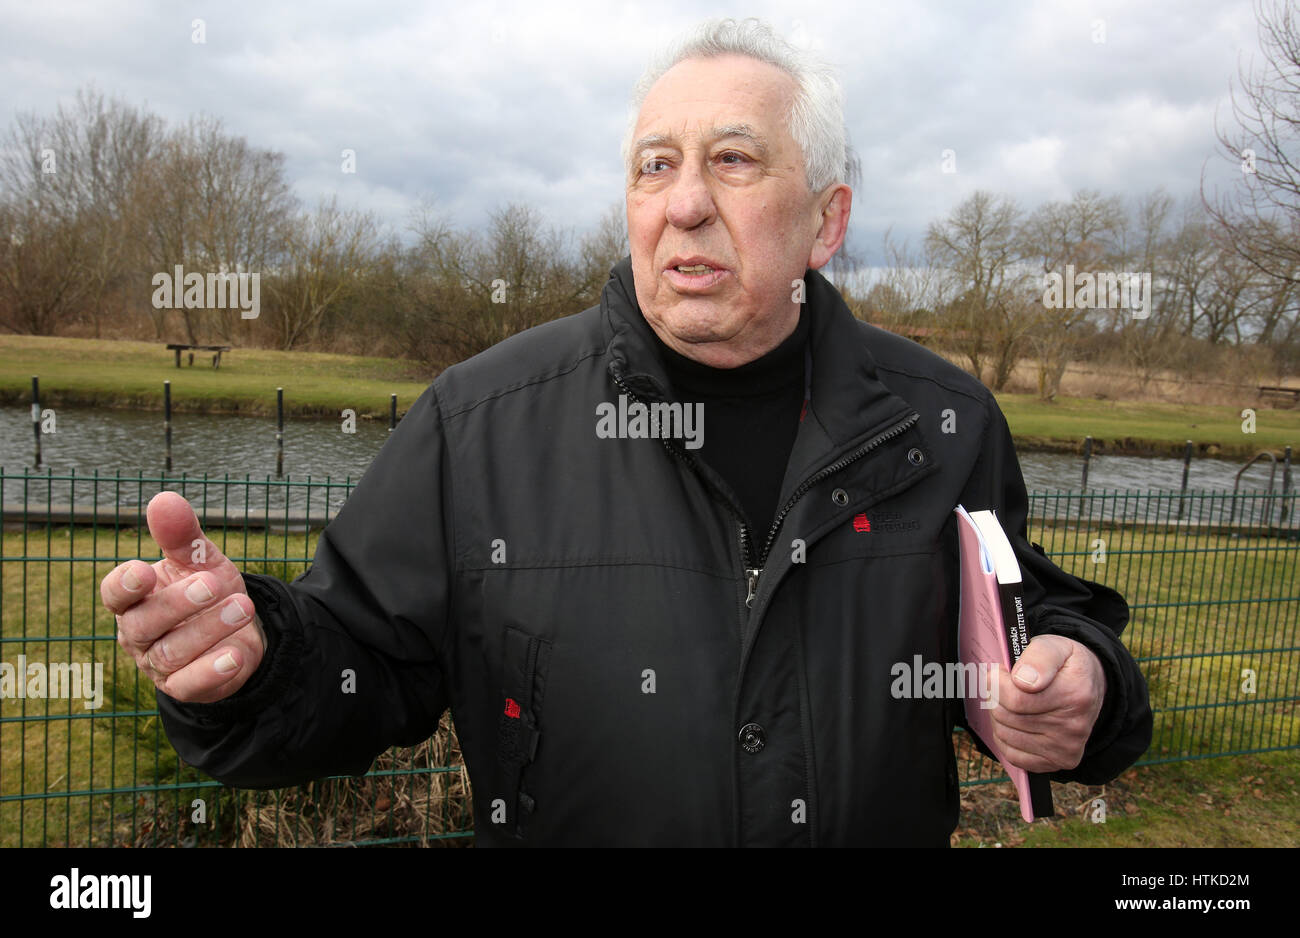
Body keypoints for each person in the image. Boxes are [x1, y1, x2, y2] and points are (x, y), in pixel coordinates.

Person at [100, 17, 1151, 846]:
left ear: (825, 221)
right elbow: (359, 657)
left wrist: (1081, 681)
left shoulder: (943, 420)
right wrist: (255, 659)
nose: (685, 202)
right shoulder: (479, 423)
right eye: (655, 165)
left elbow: (1024, 617)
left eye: (734, 160)